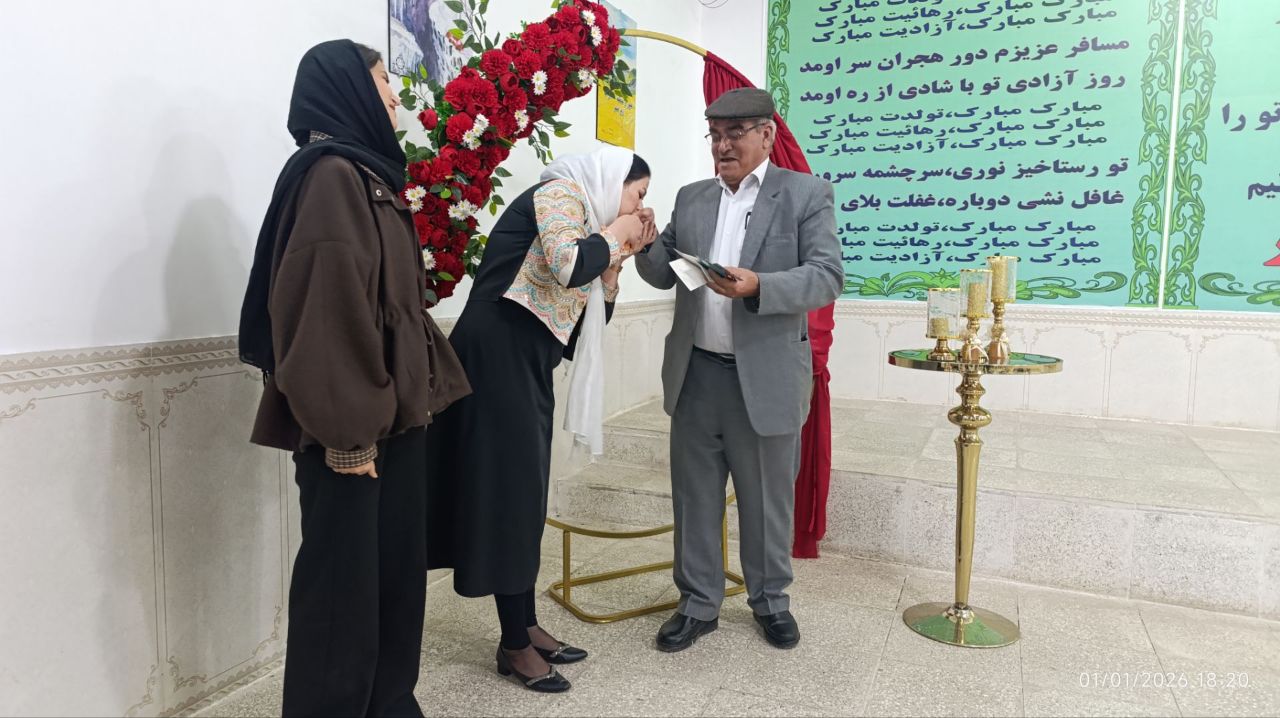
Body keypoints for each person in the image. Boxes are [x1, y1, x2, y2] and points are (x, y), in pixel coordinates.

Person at [238, 40, 469, 717]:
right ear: (346, 92)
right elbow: (324, 313)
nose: (395, 97)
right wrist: (347, 435)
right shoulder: (331, 178)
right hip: (354, 434)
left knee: (391, 581)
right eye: (381, 82)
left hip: (391, 419)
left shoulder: (367, 176)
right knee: (342, 598)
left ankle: (388, 704)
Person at [425, 146, 656, 692]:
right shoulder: (560, 193)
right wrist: (616, 233)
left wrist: (614, 262)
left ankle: (525, 624)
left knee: (522, 497)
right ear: (612, 180)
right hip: (494, 365)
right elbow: (569, 264)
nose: (639, 207)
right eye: (638, 194)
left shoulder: (582, 222)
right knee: (511, 498)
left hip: (522, 367)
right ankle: (513, 645)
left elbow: (578, 327)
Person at [634, 88, 842, 652]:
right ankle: (697, 604)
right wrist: (643, 241)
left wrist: (760, 286)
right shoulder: (693, 198)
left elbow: (827, 275)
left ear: (767, 135)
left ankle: (770, 601)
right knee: (694, 498)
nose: (722, 146)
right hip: (696, 374)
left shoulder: (804, 194)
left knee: (766, 501)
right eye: (716, 135)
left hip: (766, 376)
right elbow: (663, 272)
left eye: (735, 134)